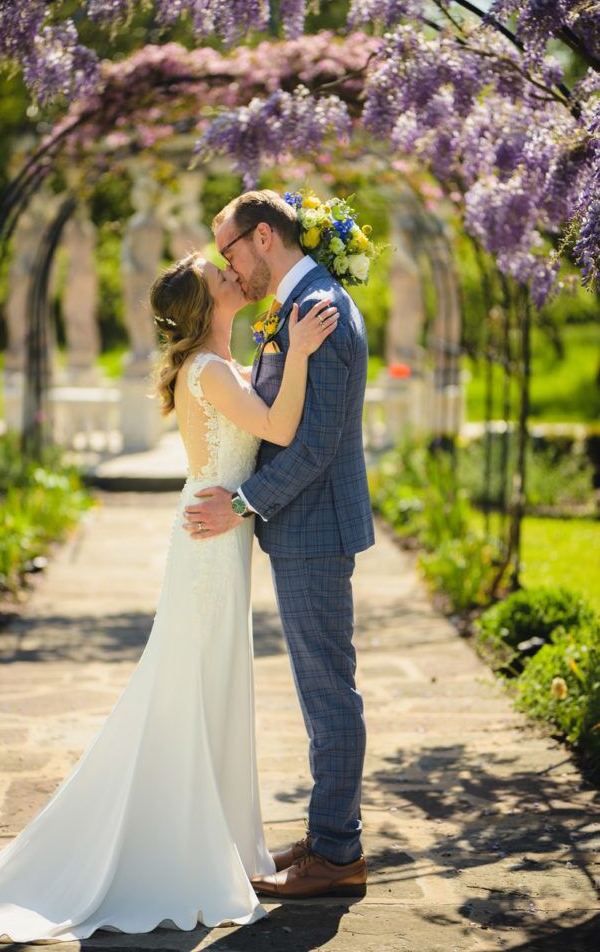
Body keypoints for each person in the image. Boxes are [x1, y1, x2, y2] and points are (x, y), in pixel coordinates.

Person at [0, 250, 338, 940]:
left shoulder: (218, 366)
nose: (235, 275)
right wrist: (298, 355)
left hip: (216, 532)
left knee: (206, 685)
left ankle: (221, 841)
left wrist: (279, 350)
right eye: (220, 276)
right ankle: (184, 850)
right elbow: (281, 430)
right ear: (206, 308)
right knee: (193, 686)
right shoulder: (207, 370)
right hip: (209, 543)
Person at [183, 189, 375, 899]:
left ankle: (338, 853)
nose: (227, 267)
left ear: (262, 237)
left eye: (227, 249)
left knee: (328, 693)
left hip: (315, 526)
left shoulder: (315, 308)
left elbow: (316, 445)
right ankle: (330, 836)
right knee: (319, 688)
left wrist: (241, 504)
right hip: (308, 527)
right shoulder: (298, 305)